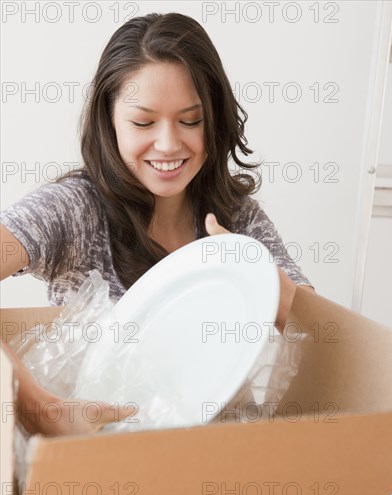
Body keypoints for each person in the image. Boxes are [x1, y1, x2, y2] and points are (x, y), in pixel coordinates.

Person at [0, 12, 315, 435]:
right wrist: (41, 411)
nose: (168, 144)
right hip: (92, 468)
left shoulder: (239, 218)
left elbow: (324, 337)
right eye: (143, 122)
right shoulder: (75, 209)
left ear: (215, 120)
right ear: (109, 122)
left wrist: (264, 283)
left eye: (190, 120)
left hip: (217, 468)